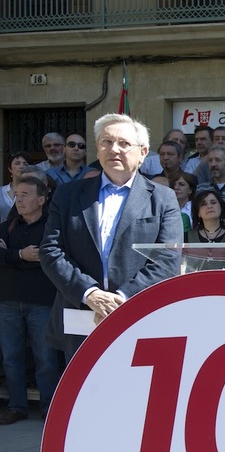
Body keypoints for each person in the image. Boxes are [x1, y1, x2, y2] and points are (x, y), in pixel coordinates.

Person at [39, 113, 182, 359]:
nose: (113, 149)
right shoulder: (68, 194)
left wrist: (122, 298)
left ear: (143, 152)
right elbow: (51, 250)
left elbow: (167, 258)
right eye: (106, 142)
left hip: (138, 315)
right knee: (81, 394)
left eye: (124, 143)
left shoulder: (162, 198)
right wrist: (89, 293)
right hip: (81, 316)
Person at [0, 176, 61, 424]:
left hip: (41, 301)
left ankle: (49, 407)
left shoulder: (52, 228)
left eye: (25, 194)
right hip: (8, 301)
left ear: (41, 199)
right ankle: (17, 406)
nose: (19, 198)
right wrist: (21, 255)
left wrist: (9, 256)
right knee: (11, 358)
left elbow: (46, 259)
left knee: (45, 358)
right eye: (17, 194)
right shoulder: (7, 226)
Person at [1, 152, 31, 221]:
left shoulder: (33, 192)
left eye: (25, 164)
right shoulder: (1, 191)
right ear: (9, 168)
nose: (21, 166)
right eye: (17, 163)